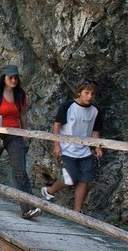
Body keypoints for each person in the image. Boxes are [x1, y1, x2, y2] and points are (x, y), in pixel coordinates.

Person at [0, 65, 40, 219]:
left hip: (15, 133)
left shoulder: (20, 94)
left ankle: (28, 207)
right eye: (11, 77)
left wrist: (25, 133)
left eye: (16, 77)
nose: (14, 80)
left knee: (20, 171)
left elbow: (22, 114)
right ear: (4, 78)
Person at [40, 79, 104, 213]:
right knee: (69, 179)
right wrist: (56, 144)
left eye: (92, 94)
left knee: (84, 180)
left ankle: (77, 211)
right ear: (79, 92)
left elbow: (95, 131)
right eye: (86, 93)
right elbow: (57, 125)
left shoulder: (95, 110)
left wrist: (97, 146)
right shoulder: (67, 106)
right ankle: (50, 190)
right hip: (67, 148)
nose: (89, 97)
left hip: (85, 150)